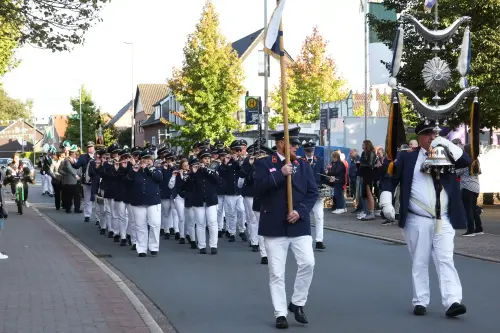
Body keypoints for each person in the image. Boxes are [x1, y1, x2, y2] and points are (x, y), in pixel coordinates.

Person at [379, 120, 470, 318]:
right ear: (419, 137)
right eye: (428, 134)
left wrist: (446, 143)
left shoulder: (446, 153)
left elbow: (466, 161)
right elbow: (390, 178)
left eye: (435, 133)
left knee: (445, 259)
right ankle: (420, 300)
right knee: (420, 261)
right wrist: (386, 202)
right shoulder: (407, 157)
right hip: (417, 218)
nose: (432, 137)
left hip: (443, 217)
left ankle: (453, 300)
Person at [254, 127, 318, 329]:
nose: (297, 147)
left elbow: (312, 192)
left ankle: (297, 302)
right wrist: (280, 174)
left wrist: (299, 211)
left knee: (308, 262)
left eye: (297, 144)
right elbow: (258, 189)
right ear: (281, 143)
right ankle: (280, 313)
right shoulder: (264, 163)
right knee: (277, 273)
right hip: (274, 225)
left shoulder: (303, 165)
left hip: (298, 223)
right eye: (293, 144)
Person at [127, 148, 163, 257]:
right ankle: (141, 248)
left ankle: (153, 247)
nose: (147, 161)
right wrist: (134, 169)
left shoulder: (156, 170)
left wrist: (149, 169)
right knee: (140, 225)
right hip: (138, 201)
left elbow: (159, 178)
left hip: (153, 201)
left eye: (149, 159)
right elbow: (128, 179)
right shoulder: (136, 170)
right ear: (141, 160)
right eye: (145, 159)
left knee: (155, 224)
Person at [191, 148, 220, 254]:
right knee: (200, 223)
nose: (207, 160)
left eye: (208, 158)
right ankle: (202, 246)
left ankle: (213, 245)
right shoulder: (195, 170)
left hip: (211, 199)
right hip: (198, 200)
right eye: (205, 158)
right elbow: (190, 184)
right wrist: (193, 173)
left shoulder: (214, 168)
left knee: (212, 222)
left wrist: (206, 170)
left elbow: (216, 180)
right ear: (200, 160)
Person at [302, 141, 328, 249]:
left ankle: (319, 240)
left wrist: (329, 178)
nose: (310, 153)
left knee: (319, 216)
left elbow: (323, 176)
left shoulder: (319, 160)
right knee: (304, 217)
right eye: (308, 151)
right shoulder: (300, 162)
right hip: (305, 193)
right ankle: (306, 239)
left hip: (317, 192)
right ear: (305, 151)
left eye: (312, 151)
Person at [456, 144, 483, 236]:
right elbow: (479, 172)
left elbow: (458, 172)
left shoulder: (466, 161)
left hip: (466, 187)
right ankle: (479, 228)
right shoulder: (476, 161)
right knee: (474, 208)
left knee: (468, 210)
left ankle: (470, 230)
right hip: (476, 187)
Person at [71, 141, 95, 222]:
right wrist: (73, 162)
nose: (89, 149)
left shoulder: (97, 156)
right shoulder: (83, 157)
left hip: (96, 181)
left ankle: (99, 219)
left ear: (94, 147)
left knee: (98, 201)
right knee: (87, 199)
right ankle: (87, 215)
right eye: (88, 147)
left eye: (91, 147)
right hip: (86, 180)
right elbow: (77, 166)